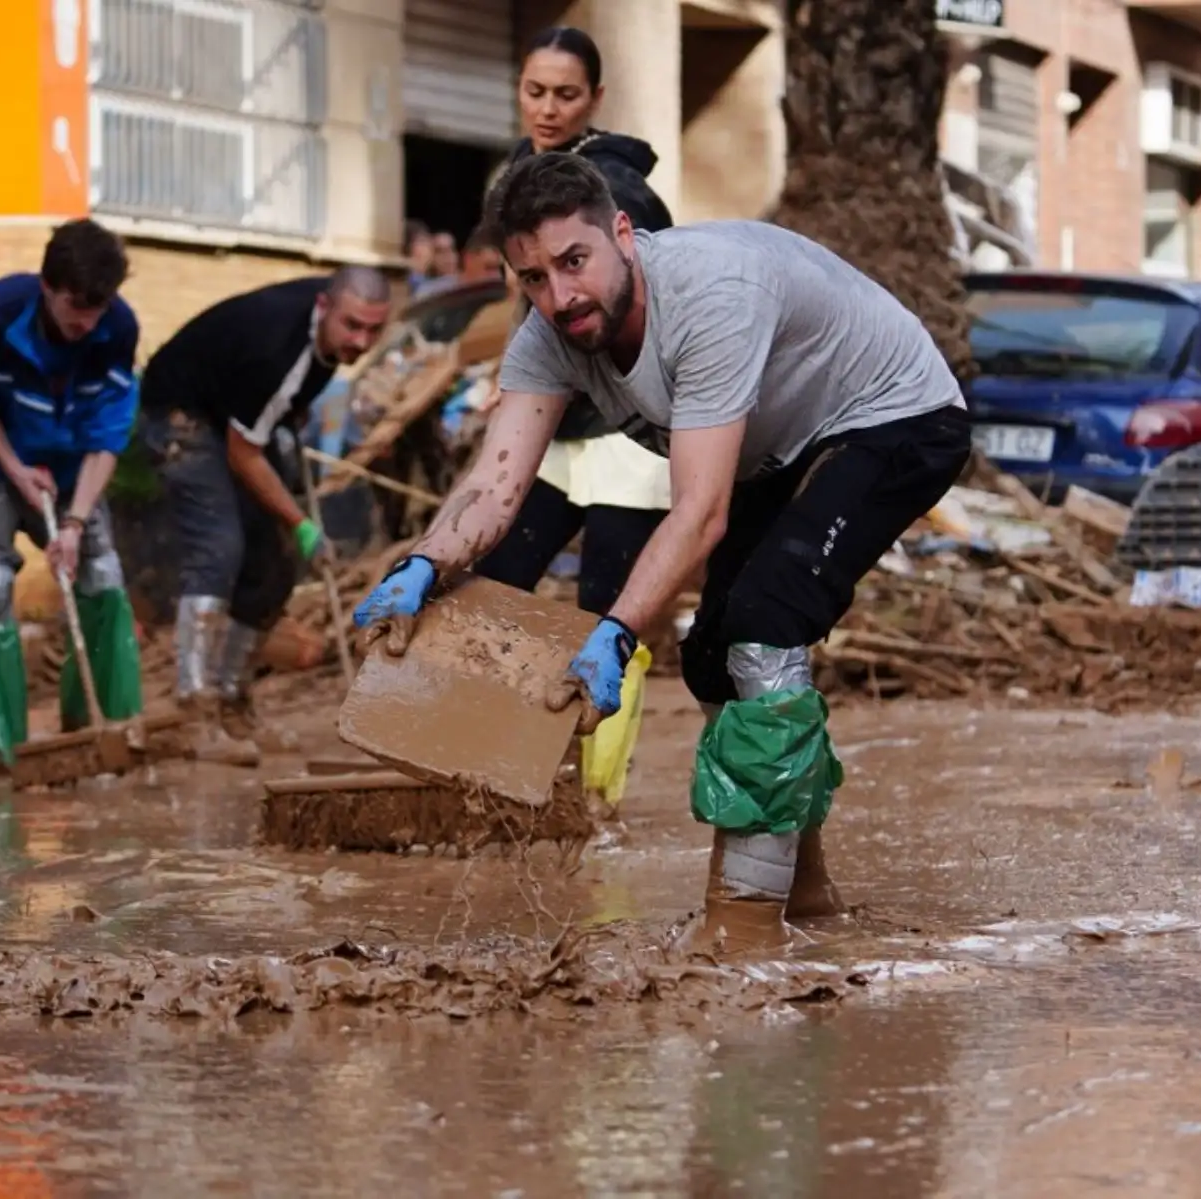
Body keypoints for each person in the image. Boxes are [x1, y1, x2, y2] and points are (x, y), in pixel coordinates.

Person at [352, 154, 971, 950]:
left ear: (622, 235)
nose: (560, 296)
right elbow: (495, 487)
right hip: (777, 446)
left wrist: (614, 631)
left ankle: (744, 923)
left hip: (897, 416)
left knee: (766, 618)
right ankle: (804, 889)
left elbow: (701, 513)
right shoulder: (549, 334)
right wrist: (422, 564)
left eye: (574, 262)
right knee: (712, 652)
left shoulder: (711, 296)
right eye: (533, 277)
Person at [474, 25, 677, 808]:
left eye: (566, 94)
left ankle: (597, 800)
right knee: (497, 583)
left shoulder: (619, 188)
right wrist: (510, 383)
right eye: (535, 91)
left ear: (595, 98)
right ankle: (496, 771)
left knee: (607, 618)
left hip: (624, 431)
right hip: (555, 430)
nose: (548, 108)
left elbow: (646, 311)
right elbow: (517, 301)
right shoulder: (516, 177)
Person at [141, 268, 392, 765]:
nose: (361, 341)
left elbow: (275, 410)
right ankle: (195, 709)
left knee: (275, 561)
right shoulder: (277, 349)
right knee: (220, 547)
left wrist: (289, 413)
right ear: (325, 306)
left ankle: (234, 701)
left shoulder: (323, 332)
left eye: (373, 330)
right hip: (181, 412)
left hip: (233, 413)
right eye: (352, 327)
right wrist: (300, 522)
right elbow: (243, 453)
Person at [0, 218, 144, 770]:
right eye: (76, 306)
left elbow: (108, 437)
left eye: (98, 309)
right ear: (48, 287)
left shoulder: (117, 329)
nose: (87, 322)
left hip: (72, 463)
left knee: (102, 575)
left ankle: (103, 728)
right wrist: (15, 467)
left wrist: (75, 524)